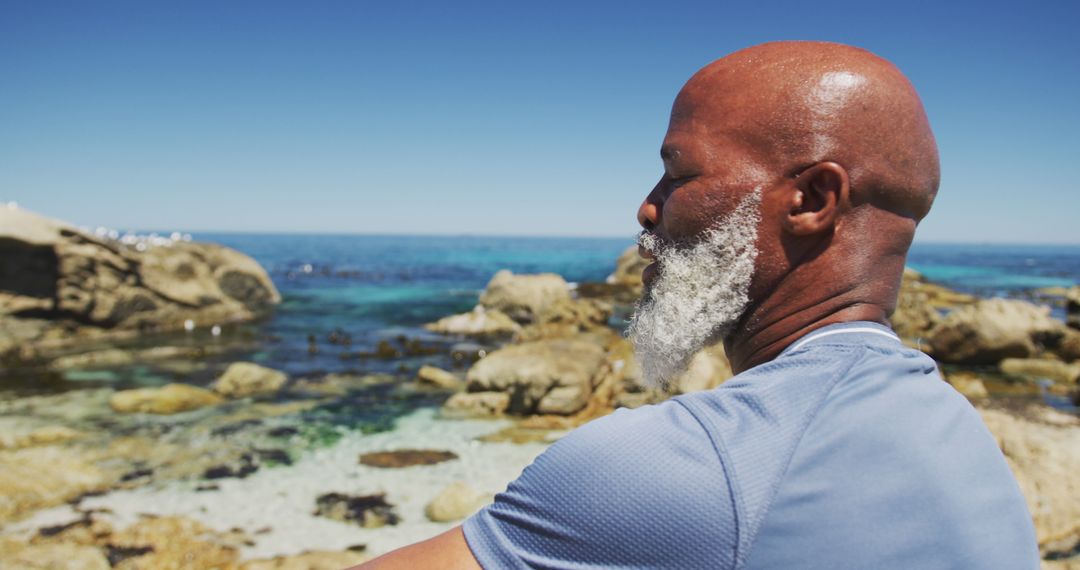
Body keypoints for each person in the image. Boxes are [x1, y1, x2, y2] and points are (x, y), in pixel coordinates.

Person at [360, 41, 1039, 569]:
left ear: (810, 200)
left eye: (680, 173)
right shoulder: (959, 432)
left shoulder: (691, 463)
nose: (648, 207)